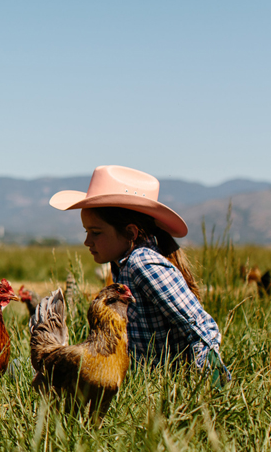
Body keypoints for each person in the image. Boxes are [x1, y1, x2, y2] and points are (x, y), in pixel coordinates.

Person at [49, 165, 230, 385]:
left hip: (166, 384)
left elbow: (199, 326)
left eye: (95, 232)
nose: (87, 241)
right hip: (148, 382)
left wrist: (211, 387)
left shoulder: (142, 263)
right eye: (87, 232)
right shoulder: (123, 265)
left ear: (130, 233)